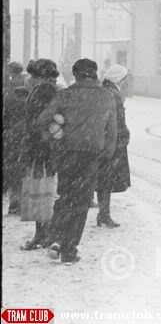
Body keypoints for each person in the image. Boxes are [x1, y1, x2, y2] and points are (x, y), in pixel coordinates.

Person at [36, 58, 116, 263]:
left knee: (65, 196)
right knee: (81, 201)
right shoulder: (107, 97)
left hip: (67, 153)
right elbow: (112, 131)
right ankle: (70, 248)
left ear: (75, 75)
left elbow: (42, 121)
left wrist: (54, 138)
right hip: (91, 156)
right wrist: (106, 152)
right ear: (95, 73)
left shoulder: (65, 95)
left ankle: (56, 238)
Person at [20, 59, 61, 250]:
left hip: (40, 149)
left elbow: (38, 121)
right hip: (45, 148)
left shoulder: (43, 90)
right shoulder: (51, 90)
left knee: (40, 191)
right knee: (44, 190)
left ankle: (42, 234)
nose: (30, 79)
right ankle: (45, 233)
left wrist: (37, 137)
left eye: (33, 75)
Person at [97, 64, 131, 228]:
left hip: (102, 139)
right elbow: (118, 120)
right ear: (120, 79)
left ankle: (103, 214)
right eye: (125, 79)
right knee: (107, 179)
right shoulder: (115, 94)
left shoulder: (103, 90)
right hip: (113, 141)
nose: (126, 83)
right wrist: (124, 136)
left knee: (103, 178)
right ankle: (104, 215)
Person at [3, 63, 31, 214]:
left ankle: (15, 202)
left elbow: (6, 118)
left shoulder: (8, 91)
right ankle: (23, 201)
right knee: (23, 170)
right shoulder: (27, 89)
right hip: (24, 136)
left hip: (11, 137)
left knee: (13, 171)